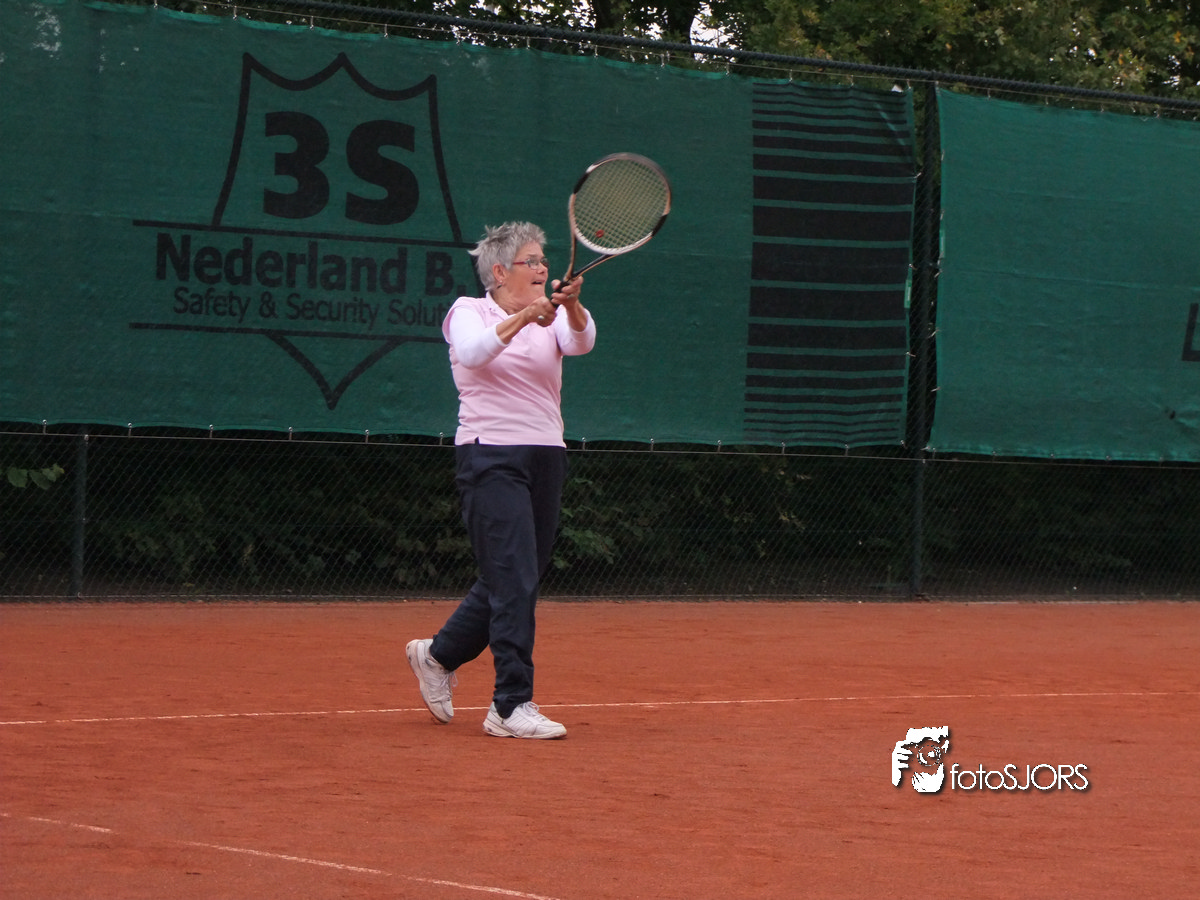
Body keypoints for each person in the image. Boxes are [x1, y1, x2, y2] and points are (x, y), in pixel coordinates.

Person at [406, 221, 595, 740]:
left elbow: (582, 342)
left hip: (546, 454)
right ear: (498, 271)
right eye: (530, 261)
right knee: (514, 577)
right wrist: (526, 317)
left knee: (517, 575)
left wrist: (572, 306)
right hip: (489, 454)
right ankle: (510, 705)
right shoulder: (468, 310)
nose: (542, 268)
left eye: (543, 260)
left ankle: (438, 655)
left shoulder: (554, 314)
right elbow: (472, 353)